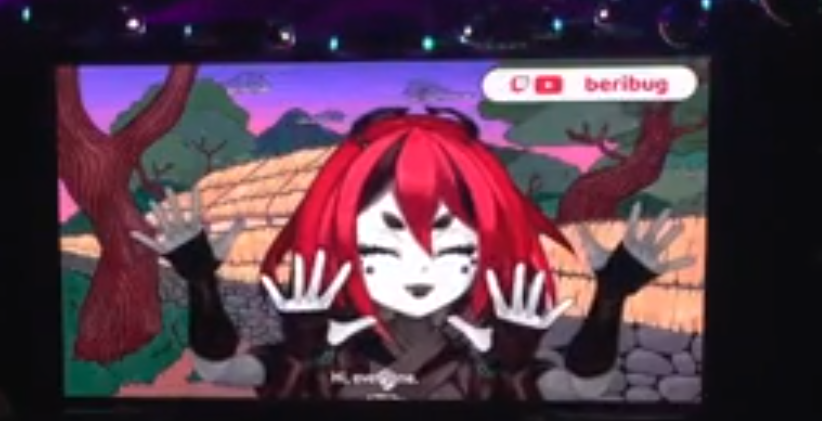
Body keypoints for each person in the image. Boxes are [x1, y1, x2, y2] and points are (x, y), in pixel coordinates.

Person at [133, 107, 693, 400]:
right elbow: (219, 369)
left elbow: (583, 387)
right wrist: (201, 281)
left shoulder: (493, 338)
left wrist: (610, 297)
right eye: (386, 242)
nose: (421, 264)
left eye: (449, 244)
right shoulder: (326, 330)